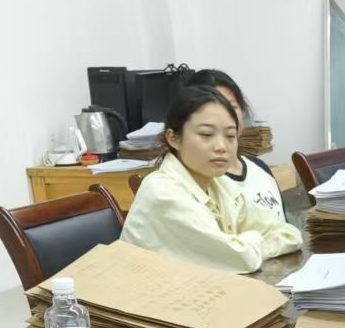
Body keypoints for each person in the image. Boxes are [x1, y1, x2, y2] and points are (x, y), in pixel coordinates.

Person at [122, 86, 301, 276]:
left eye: (230, 135)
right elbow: (240, 258)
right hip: (149, 292)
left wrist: (248, 243)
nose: (221, 146)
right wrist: (254, 240)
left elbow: (289, 233)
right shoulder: (162, 192)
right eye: (206, 135)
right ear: (174, 138)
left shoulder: (219, 184)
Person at [188, 67, 286, 219]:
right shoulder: (194, 181)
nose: (224, 116)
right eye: (212, 108)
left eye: (231, 107)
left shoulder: (260, 168)